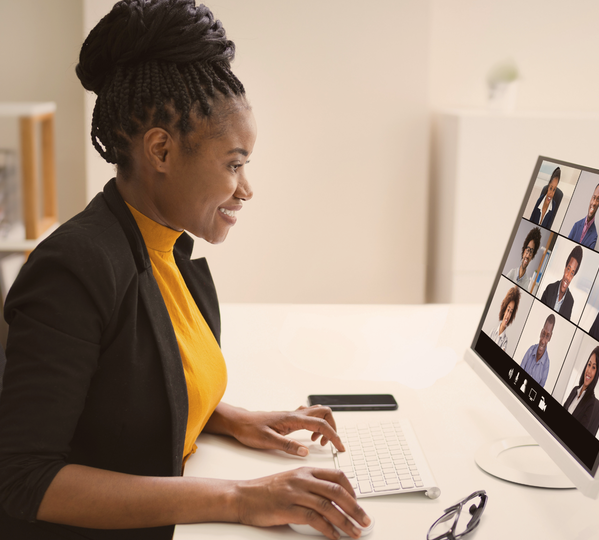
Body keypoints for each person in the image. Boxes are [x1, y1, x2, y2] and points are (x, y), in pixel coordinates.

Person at [0, 2, 369, 539]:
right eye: (234, 164)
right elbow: (23, 477)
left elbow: (123, 392)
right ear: (161, 150)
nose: (246, 189)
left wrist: (229, 416)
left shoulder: (164, 248)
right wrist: (241, 498)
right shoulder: (73, 268)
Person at [563, 346, 599, 436]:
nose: (589, 371)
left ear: (596, 373)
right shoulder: (575, 390)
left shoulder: (591, 402)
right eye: (589, 365)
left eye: (593, 367)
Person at [540, 245, 583, 320]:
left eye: (572, 273)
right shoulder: (549, 289)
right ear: (565, 269)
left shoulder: (570, 302)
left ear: (573, 277)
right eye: (568, 269)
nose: (568, 276)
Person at [519, 314, 555, 387]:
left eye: (547, 336)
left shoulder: (546, 364)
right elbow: (520, 372)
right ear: (541, 332)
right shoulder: (530, 350)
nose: (543, 341)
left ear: (550, 338)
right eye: (543, 334)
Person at [567, 181, 599, 249]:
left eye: (598, 199)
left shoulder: (594, 236)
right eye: (594, 197)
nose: (593, 203)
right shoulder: (576, 225)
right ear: (591, 198)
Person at [506, 227, 542, 292]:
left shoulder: (526, 284)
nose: (528, 255)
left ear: (532, 257)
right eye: (527, 251)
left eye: (531, 253)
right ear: (523, 252)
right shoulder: (512, 273)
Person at [490, 286, 521, 352]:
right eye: (508, 310)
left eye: (511, 312)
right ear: (504, 310)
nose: (508, 315)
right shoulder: (492, 332)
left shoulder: (505, 342)